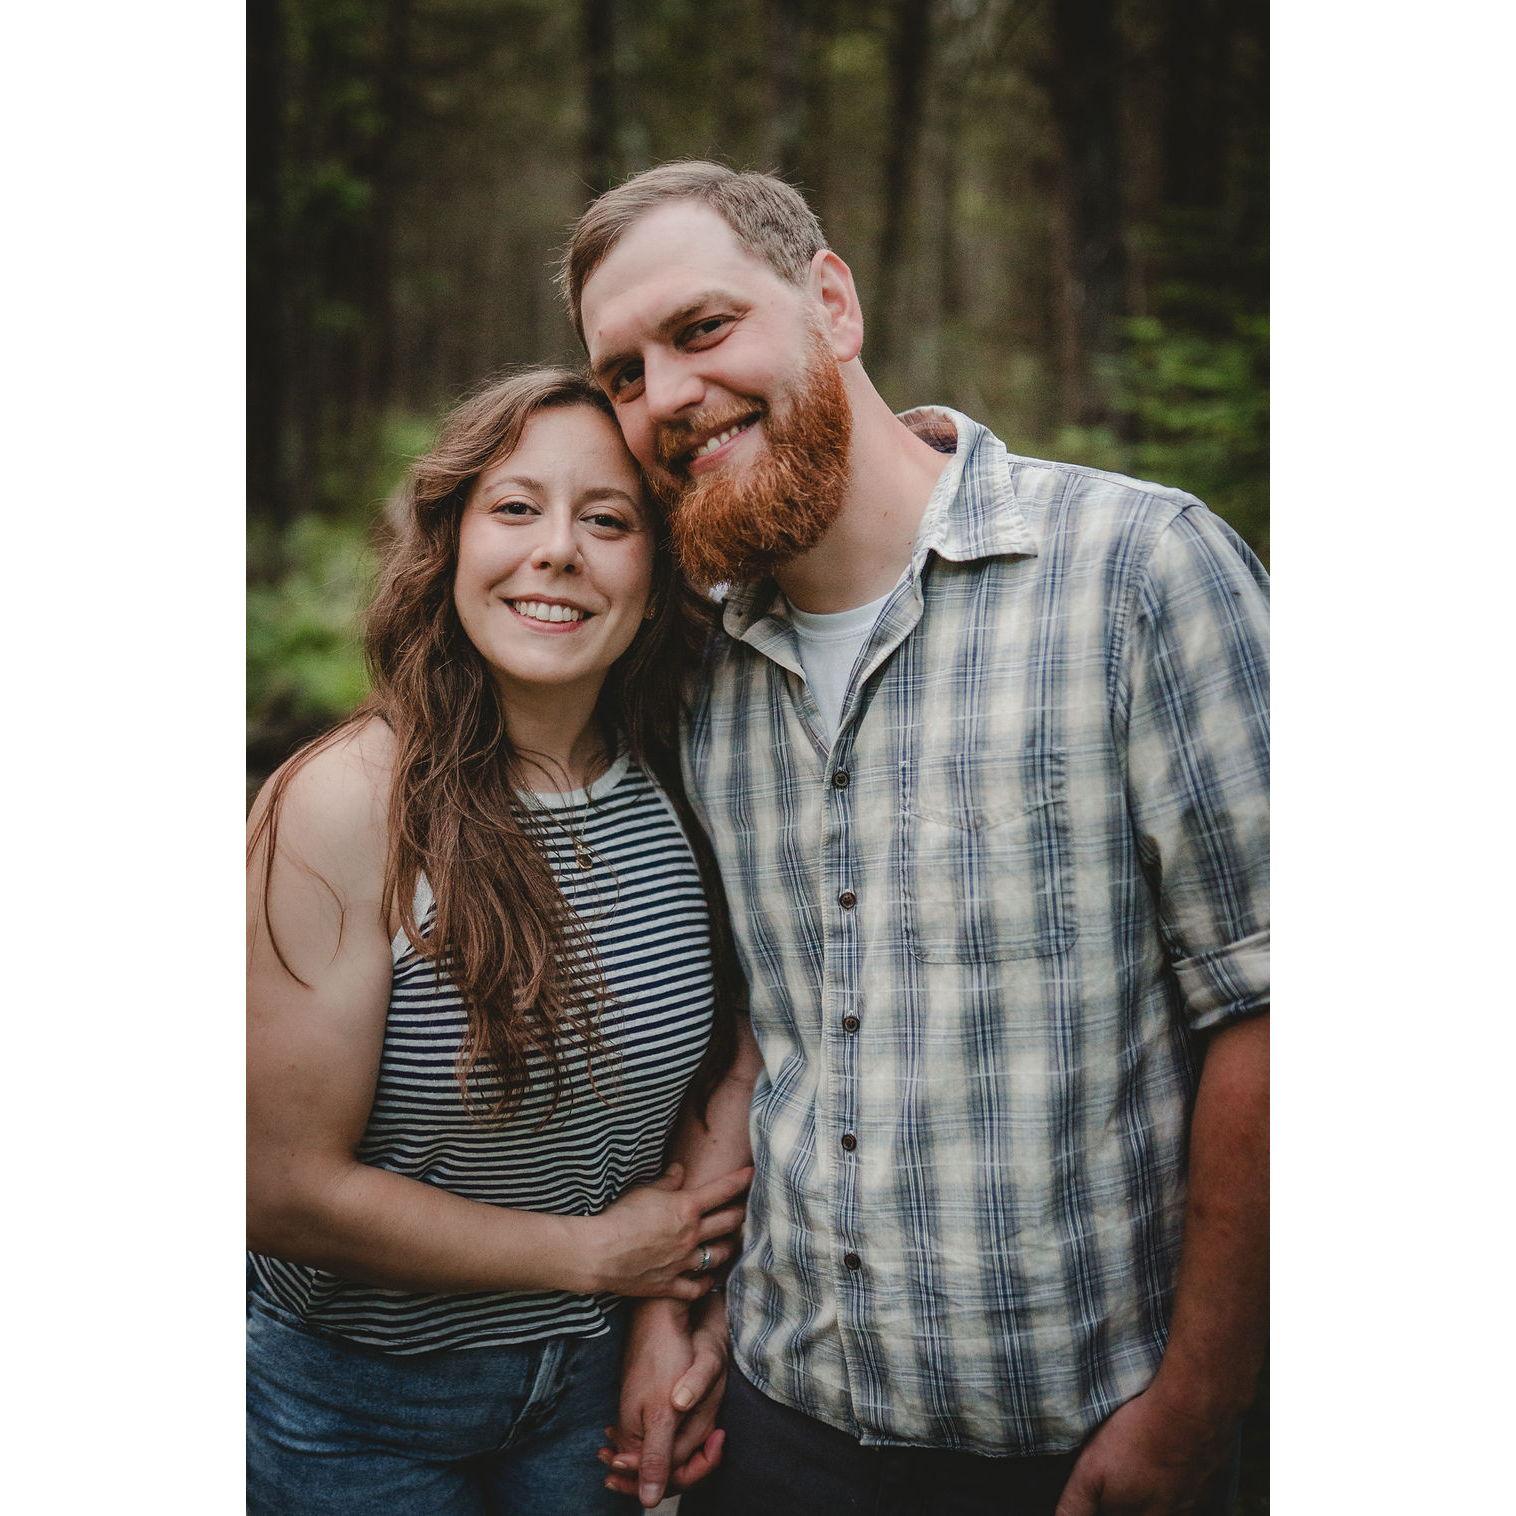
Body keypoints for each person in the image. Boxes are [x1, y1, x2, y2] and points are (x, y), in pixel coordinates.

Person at [559, 164, 1270, 1515]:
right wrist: (680, 1304)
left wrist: (1195, 1410)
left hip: (1083, 1437)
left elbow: (1275, 1009)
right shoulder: (698, 664)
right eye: (624, 373)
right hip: (780, 1426)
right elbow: (770, 1028)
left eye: (702, 330)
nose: (664, 397)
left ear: (831, 300)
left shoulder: (1140, 571)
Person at [245, 366, 762, 1514]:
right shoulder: (348, 806)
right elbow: (275, 1187)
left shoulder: (684, 779)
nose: (559, 551)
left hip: (589, 1393)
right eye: (516, 507)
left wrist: (663, 1320)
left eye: (608, 519)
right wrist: (595, 1258)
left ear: (656, 564)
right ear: (451, 543)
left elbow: (732, 1058)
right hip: (354, 1409)